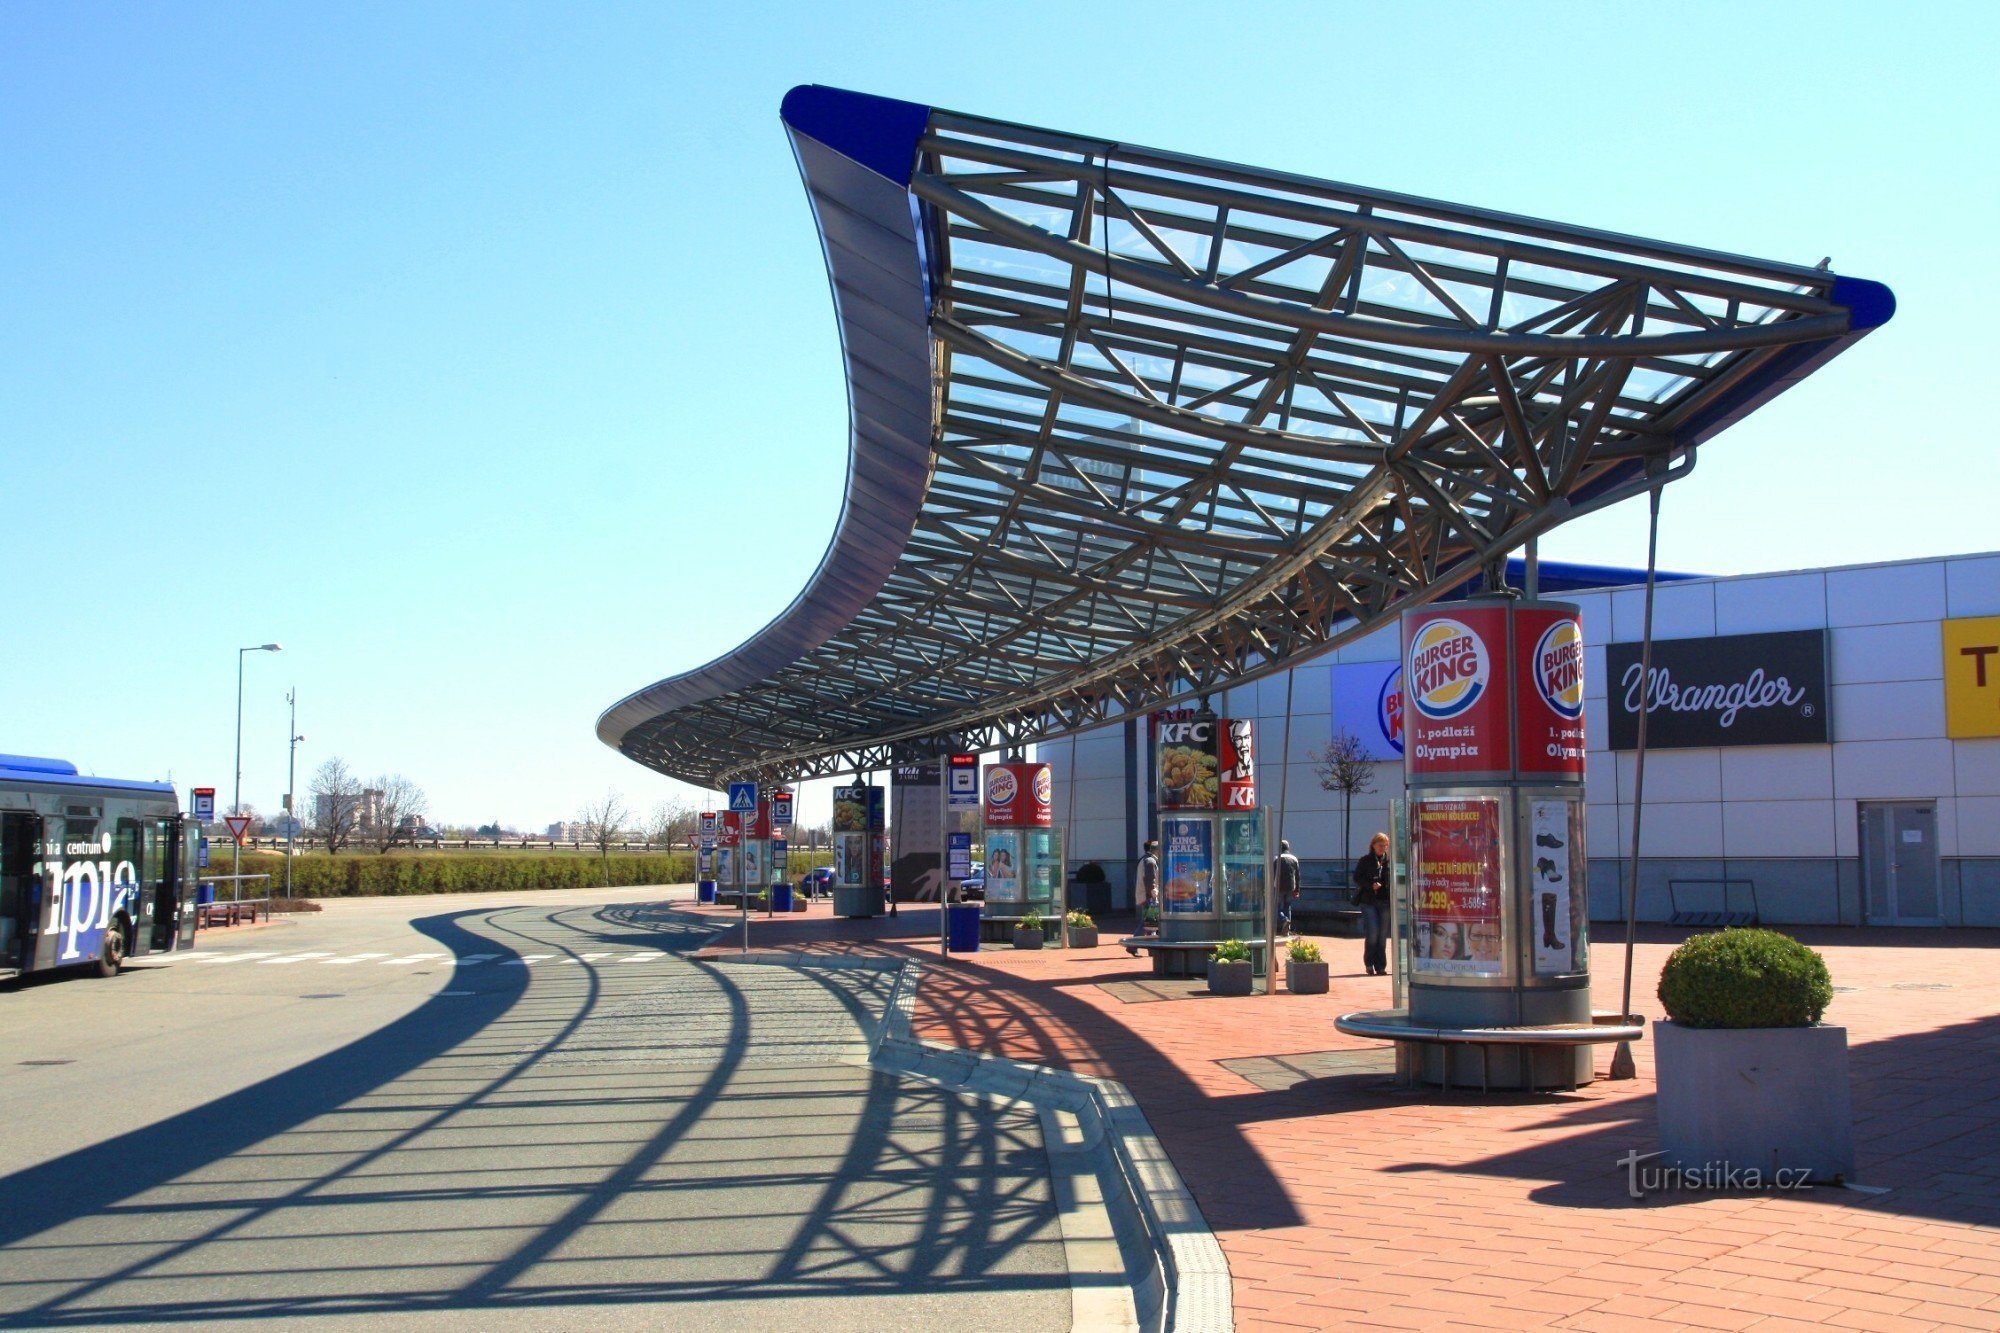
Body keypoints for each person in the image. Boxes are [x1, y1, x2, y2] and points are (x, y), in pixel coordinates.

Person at [1352, 831, 1391, 976]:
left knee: (1382, 935)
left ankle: (1381, 966)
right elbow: (1357, 878)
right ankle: (1369, 964)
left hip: (1385, 901)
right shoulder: (1365, 860)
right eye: (1380, 845)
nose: (1383, 848)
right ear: (1373, 845)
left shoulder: (1389, 861)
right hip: (1369, 901)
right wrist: (1370, 885)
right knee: (1373, 933)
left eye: (1385, 846)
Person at [1273, 839, 1301, 935]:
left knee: (1276, 907)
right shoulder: (1294, 859)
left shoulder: (1276, 858)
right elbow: (1298, 876)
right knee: (1287, 906)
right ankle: (1287, 930)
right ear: (1288, 848)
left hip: (1279, 886)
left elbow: (1273, 874)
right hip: (1291, 887)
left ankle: (1284, 919)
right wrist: (1297, 890)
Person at [1135, 839, 1161, 932]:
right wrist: (1153, 894)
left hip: (1145, 895)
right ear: (1157, 850)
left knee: (1149, 923)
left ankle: (1145, 938)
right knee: (1148, 922)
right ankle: (1135, 940)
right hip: (1148, 897)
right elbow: (1150, 879)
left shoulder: (1145, 859)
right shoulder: (1150, 861)